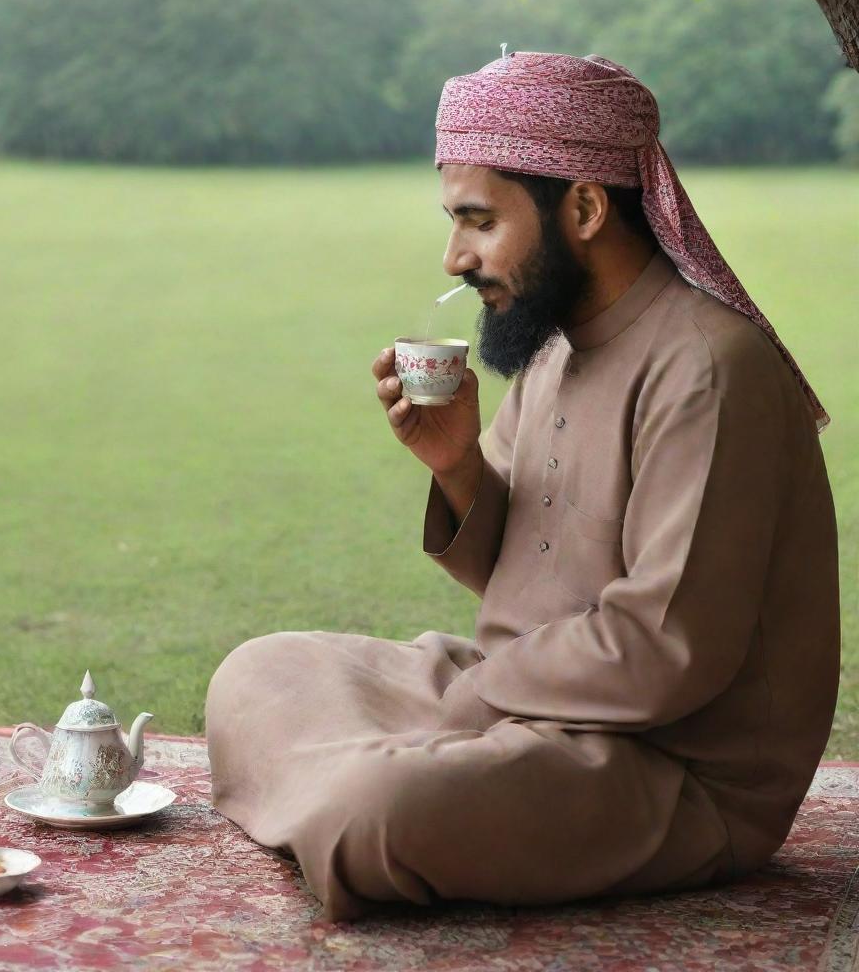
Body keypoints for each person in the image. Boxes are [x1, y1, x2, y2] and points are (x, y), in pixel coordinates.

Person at [204, 51, 840, 923]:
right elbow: (518, 570)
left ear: (582, 206)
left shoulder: (707, 367)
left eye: (478, 221)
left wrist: (474, 698)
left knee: (376, 813)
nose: (454, 256)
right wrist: (458, 461)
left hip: (661, 768)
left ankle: (355, 793)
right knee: (258, 672)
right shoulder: (553, 344)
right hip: (514, 699)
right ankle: (368, 781)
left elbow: (666, 651)